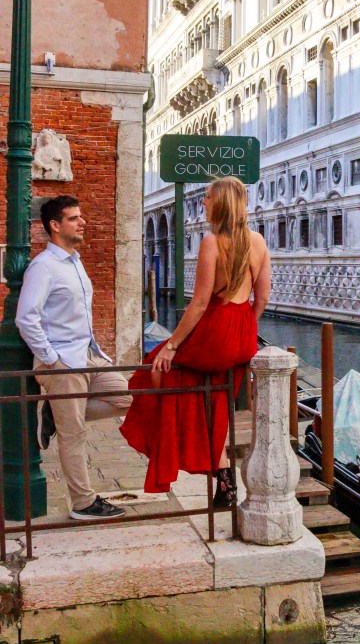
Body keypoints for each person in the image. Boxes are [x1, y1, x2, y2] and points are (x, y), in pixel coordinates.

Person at [121, 176, 270, 504]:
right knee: (212, 400)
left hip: (215, 330)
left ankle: (166, 450)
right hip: (243, 335)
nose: (203, 202)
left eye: (207, 197)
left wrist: (171, 345)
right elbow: (261, 300)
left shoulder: (212, 243)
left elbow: (200, 303)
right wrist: (244, 328)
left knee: (154, 370)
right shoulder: (258, 241)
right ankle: (224, 476)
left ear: (220, 203)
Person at [16, 195, 132, 521]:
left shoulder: (75, 261)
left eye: (80, 217)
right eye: (74, 218)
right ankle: (83, 503)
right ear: (55, 226)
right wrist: (51, 359)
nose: (82, 222)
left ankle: (54, 410)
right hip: (61, 362)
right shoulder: (43, 267)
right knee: (75, 434)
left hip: (88, 356)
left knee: (125, 396)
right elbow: (26, 318)